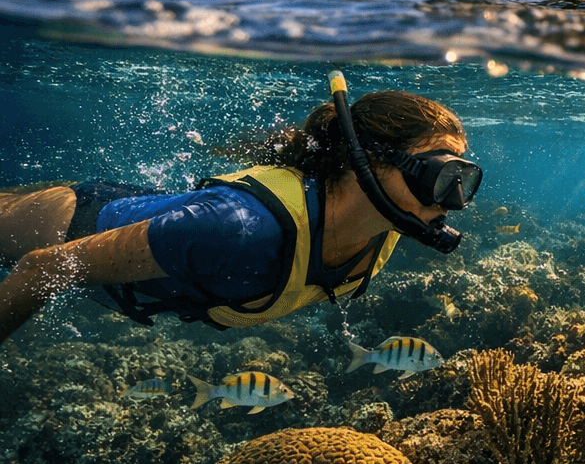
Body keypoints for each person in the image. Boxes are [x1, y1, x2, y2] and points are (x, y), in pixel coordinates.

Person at [0, 75, 482, 345]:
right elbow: (42, 268)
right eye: (438, 177)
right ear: (364, 163)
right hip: (64, 224)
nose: (452, 201)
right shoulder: (234, 230)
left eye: (463, 181)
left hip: (152, 227)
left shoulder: (388, 226)